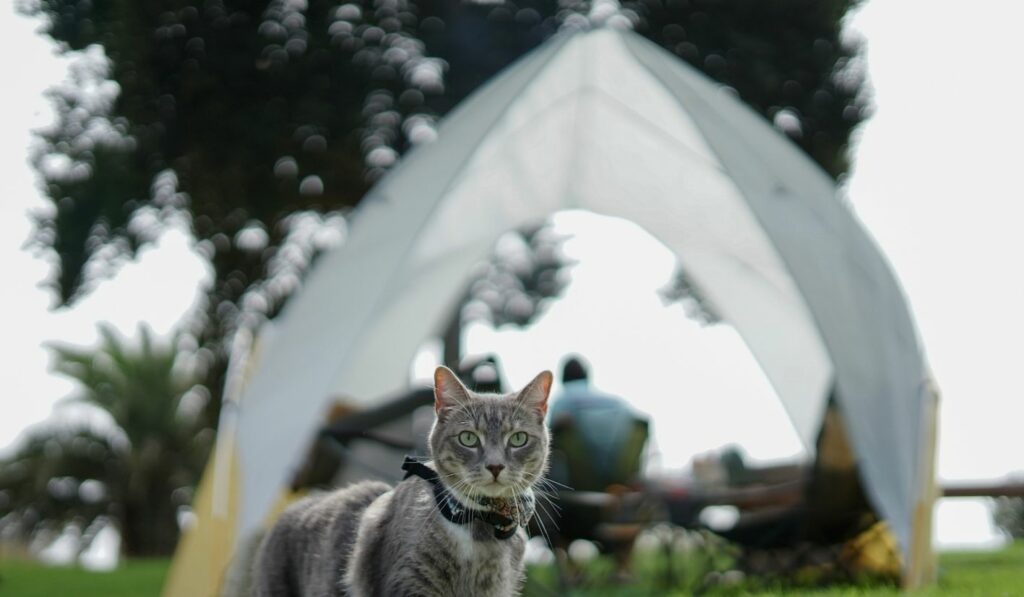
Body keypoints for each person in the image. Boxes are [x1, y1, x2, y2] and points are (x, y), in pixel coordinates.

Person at [547, 356, 644, 490]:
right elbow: (640, 424)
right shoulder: (618, 402)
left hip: (582, 478)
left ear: (562, 378)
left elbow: (548, 439)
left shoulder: (563, 400)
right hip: (621, 473)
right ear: (587, 375)